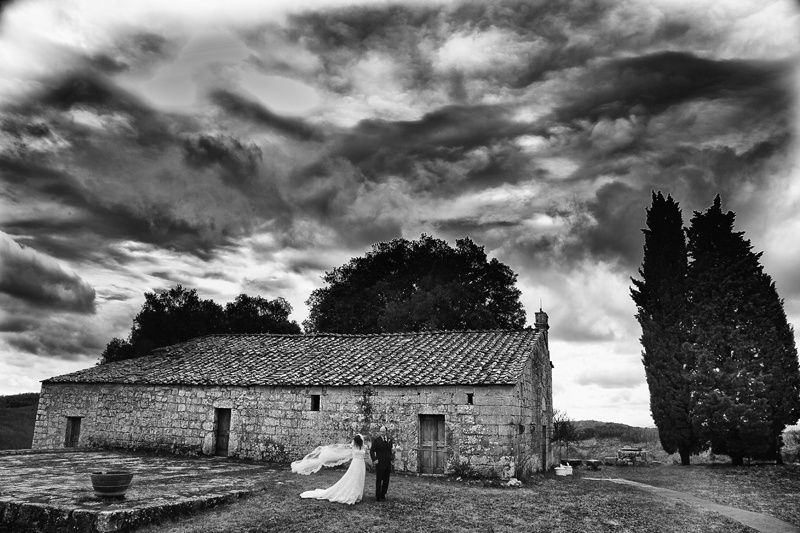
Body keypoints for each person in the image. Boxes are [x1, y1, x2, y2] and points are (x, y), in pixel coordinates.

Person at [298, 434, 367, 505]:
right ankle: (352, 495)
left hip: (361, 464)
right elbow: (341, 450)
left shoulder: (364, 447)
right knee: (353, 478)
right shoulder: (353, 446)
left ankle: (358, 494)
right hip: (355, 464)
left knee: (359, 479)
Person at [370, 425, 393, 501]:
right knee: (379, 480)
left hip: (387, 463)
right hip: (379, 463)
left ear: (386, 432)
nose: (382, 433)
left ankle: (383, 494)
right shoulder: (376, 440)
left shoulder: (390, 440)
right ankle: (378, 496)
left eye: (383, 431)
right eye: (381, 431)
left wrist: (391, 458)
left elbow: (390, 451)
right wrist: (374, 459)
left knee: (386, 480)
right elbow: (372, 451)